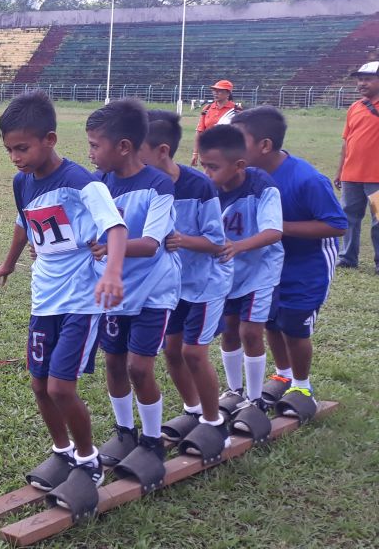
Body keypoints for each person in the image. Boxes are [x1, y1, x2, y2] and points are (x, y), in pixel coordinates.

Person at [0, 90, 127, 502]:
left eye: (22, 148)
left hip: (82, 299)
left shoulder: (83, 182)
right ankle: (62, 451)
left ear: (50, 138)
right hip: (43, 297)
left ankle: (88, 460)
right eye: (9, 149)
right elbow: (23, 222)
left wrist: (113, 273)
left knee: (62, 388)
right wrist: (8, 263)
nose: (15, 157)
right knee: (39, 385)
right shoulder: (22, 182)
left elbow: (115, 228)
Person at [85, 99, 182, 476]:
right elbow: (85, 232)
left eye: (95, 145)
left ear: (123, 146)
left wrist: (108, 246)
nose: (90, 152)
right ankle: (124, 431)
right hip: (112, 292)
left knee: (140, 368)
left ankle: (153, 441)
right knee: (113, 362)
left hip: (151, 293)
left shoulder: (158, 185)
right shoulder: (98, 184)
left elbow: (151, 244)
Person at [232, 106, 347, 417]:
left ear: (265, 145)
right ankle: (283, 374)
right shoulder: (245, 176)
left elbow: (337, 224)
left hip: (308, 261)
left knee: (294, 323)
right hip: (270, 261)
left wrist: (276, 228)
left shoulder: (307, 178)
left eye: (238, 140)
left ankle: (302, 385)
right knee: (271, 318)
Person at [140, 111, 231, 447]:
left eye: (138, 150)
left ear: (162, 151)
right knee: (172, 352)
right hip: (170, 287)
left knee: (194, 353)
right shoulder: (143, 186)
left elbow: (217, 242)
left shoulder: (199, 186)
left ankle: (214, 421)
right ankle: (193, 411)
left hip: (205, 284)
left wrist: (182, 240)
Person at [194, 125, 283, 417]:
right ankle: (235, 390)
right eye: (203, 165)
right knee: (229, 330)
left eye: (214, 167)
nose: (207, 173)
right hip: (225, 274)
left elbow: (273, 232)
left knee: (251, 332)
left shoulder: (261, 186)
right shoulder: (205, 190)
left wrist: (239, 246)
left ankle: (255, 399)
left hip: (259, 271)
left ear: (239, 165)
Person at [334, 61, 379, 273]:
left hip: (377, 177)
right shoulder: (355, 107)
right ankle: (348, 257)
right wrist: (340, 170)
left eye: (368, 79)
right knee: (349, 217)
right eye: (360, 79)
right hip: (351, 175)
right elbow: (346, 140)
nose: (362, 83)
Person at [190, 80, 242, 165]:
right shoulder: (207, 108)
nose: (215, 93)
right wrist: (195, 153)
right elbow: (200, 131)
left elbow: (240, 133)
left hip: (227, 151)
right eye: (214, 90)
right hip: (208, 149)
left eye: (220, 91)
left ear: (228, 93)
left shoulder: (236, 110)